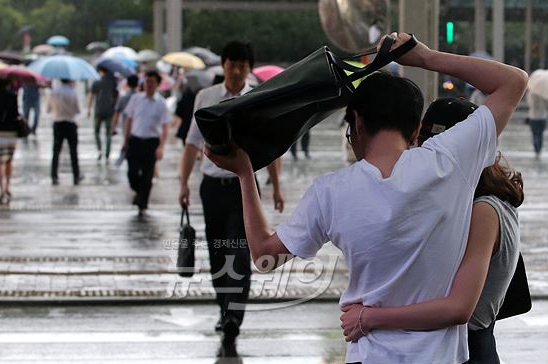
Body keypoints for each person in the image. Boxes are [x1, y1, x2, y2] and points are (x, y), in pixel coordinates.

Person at [203, 33, 528, 363]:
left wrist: (245, 174)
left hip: (368, 354)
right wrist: (425, 57)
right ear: (416, 130)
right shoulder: (449, 161)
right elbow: (514, 82)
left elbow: (263, 255)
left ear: (356, 123)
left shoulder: (330, 191)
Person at [340, 98, 524, 364]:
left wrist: (368, 318)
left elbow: (459, 309)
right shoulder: (472, 200)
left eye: (433, 150)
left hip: (468, 350)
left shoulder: (484, 210)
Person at [178, 40, 285, 358]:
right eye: (231, 63)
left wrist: (276, 187)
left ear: (249, 68)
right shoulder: (205, 98)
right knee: (217, 252)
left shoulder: (257, 99)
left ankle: (233, 318)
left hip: (245, 188)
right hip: (211, 187)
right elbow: (191, 144)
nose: (236, 69)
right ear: (223, 65)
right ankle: (224, 309)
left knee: (240, 252)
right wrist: (183, 183)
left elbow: (270, 149)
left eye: (242, 64)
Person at [122, 71, 169, 216]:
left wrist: (161, 147)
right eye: (147, 81)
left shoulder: (161, 103)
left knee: (148, 176)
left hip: (151, 142)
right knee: (132, 173)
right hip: (135, 140)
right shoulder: (136, 98)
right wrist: (125, 139)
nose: (149, 85)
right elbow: (129, 119)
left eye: (152, 82)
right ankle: (138, 192)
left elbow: (165, 127)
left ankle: (142, 204)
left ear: (157, 84)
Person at [0, 78, 20, 204]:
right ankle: (7, 186)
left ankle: (1, 188)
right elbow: (15, 114)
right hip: (10, 133)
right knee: (8, 160)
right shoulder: (13, 97)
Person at [47, 79, 82, 186]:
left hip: (58, 123)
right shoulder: (73, 92)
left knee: (56, 151)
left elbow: (48, 109)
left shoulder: (54, 92)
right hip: (70, 124)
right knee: (73, 152)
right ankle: (76, 175)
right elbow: (78, 110)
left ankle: (54, 175)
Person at [87, 66, 118, 162]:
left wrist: (89, 109)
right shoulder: (113, 82)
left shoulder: (97, 82)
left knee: (97, 131)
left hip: (99, 110)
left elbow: (91, 96)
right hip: (110, 110)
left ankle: (100, 150)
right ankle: (107, 153)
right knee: (108, 133)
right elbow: (116, 96)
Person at [527, 70, 548, 158]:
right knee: (540, 134)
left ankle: (536, 146)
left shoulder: (531, 94)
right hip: (542, 117)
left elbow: (529, 104)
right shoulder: (545, 95)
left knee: (535, 133)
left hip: (533, 117)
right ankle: (538, 148)